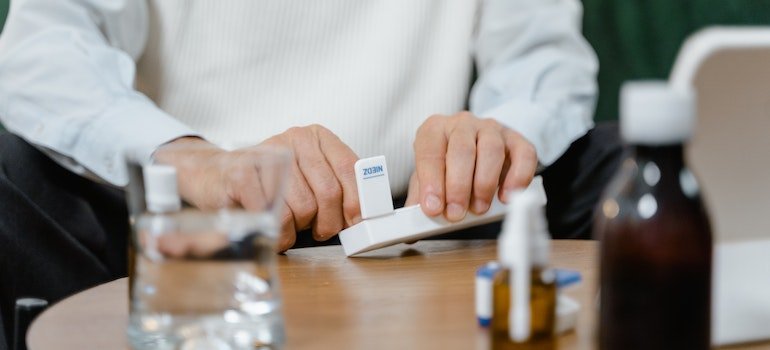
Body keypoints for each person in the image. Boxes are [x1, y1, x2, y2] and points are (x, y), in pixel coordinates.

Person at [0, 0, 623, 347]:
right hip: (190, 216)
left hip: (434, 217)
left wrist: (495, 135)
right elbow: (42, 51)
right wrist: (196, 159)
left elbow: (539, 56)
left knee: (638, 172)